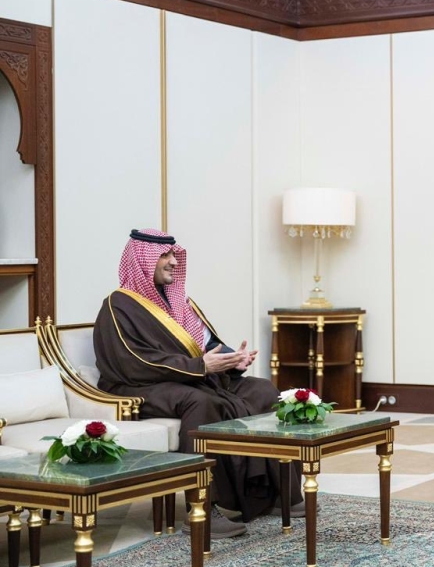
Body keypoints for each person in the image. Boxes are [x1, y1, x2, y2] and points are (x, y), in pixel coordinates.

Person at [94, 228, 303, 538]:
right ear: (142, 260)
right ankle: (201, 508)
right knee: (201, 402)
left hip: (188, 377)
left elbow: (204, 344)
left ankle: (274, 491)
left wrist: (233, 360)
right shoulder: (118, 306)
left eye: (174, 254)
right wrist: (200, 367)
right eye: (164, 255)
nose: (173, 261)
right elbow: (133, 361)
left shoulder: (178, 302)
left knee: (262, 389)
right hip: (138, 385)